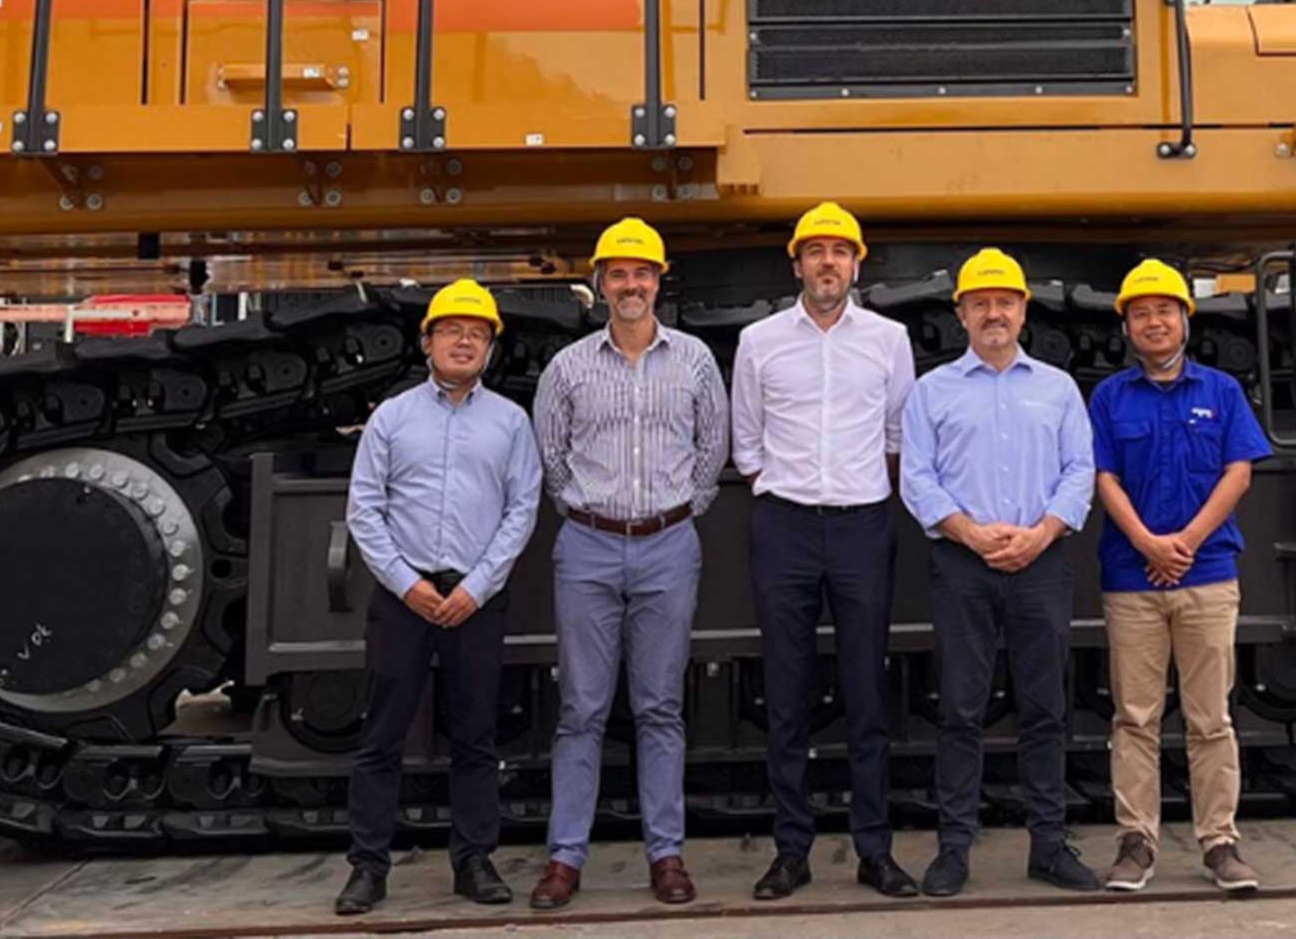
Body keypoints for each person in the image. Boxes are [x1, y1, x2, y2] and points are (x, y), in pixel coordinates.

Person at [526, 218, 730, 910]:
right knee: (580, 709)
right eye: (618, 273)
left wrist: (677, 512)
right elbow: (550, 458)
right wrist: (591, 513)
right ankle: (565, 859)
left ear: (658, 280)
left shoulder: (696, 361)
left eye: (642, 272)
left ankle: (666, 855)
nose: (631, 284)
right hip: (586, 545)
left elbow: (712, 450)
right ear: (600, 282)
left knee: (660, 707)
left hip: (669, 545)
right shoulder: (569, 367)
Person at [731, 201, 921, 901]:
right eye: (815, 251)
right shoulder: (759, 342)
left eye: (840, 251)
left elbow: (900, 434)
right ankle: (791, 851)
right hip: (783, 525)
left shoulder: (889, 340)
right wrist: (783, 489)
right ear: (796, 264)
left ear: (857, 262)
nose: (828, 263)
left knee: (866, 692)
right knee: (786, 695)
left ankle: (875, 850)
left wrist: (857, 495)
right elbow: (745, 440)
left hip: (863, 525)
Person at [333, 279, 541, 916]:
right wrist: (409, 585)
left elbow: (523, 508)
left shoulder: (510, 421)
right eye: (451, 330)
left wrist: (476, 586)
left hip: (475, 599)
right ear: (427, 341)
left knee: (475, 736)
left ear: (489, 350)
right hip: (404, 596)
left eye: (476, 334)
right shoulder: (393, 417)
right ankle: (368, 867)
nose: (463, 341)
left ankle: (473, 861)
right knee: (381, 736)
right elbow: (364, 510)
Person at [897, 248, 1098, 895]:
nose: (993, 312)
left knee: (1046, 708)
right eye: (979, 302)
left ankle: (1049, 845)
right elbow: (917, 478)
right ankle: (954, 850)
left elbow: (1080, 472)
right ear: (960, 313)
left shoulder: (1058, 388)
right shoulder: (932, 392)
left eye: (1003, 301)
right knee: (960, 708)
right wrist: (972, 534)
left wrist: (1041, 533)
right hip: (963, 566)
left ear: (1022, 310)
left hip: (1041, 564)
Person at [1088, 260, 1269, 893]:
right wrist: (1145, 542)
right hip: (1132, 581)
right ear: (1128, 329)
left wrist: (1185, 542)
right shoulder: (1110, 398)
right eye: (1141, 314)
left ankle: (1220, 842)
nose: (1154, 321)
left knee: (1209, 717)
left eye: (1165, 310)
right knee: (1135, 717)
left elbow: (1238, 472)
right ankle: (1136, 841)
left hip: (1207, 574)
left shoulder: (1221, 392)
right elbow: (1103, 477)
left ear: (1184, 319)